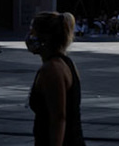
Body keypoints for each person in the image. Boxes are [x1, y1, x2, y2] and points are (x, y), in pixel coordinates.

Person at [27, 11, 85, 146]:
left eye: (33, 33)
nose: (29, 37)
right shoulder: (66, 63)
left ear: (44, 38)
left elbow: (58, 119)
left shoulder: (52, 70)